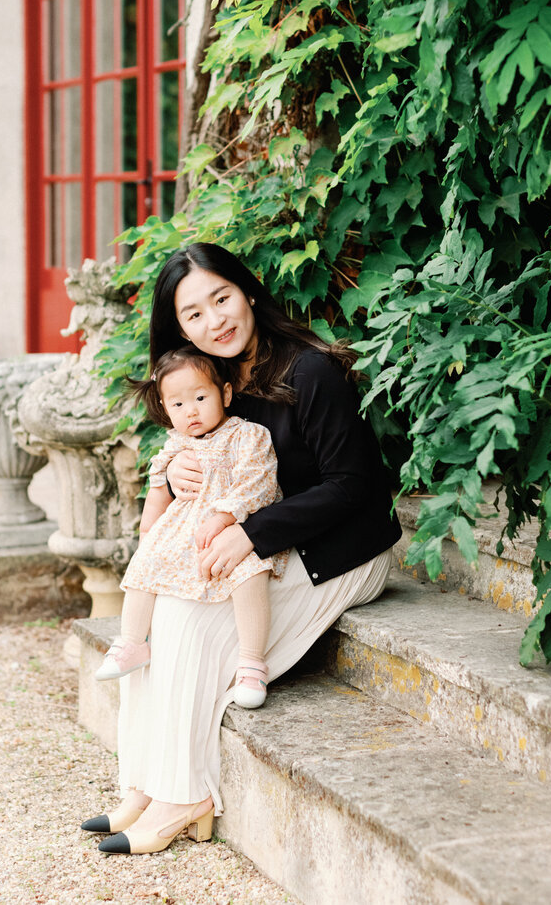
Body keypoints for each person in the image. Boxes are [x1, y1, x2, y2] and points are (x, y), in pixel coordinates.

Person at [82, 242, 402, 856]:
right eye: (193, 314)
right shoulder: (212, 382)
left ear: (248, 292)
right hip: (262, 550)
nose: (214, 321)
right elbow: (199, 461)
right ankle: (143, 784)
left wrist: (248, 533)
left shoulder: (309, 371)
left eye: (221, 299)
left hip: (339, 549)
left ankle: (188, 795)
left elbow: (355, 486)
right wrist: (180, 478)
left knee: (189, 627)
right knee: (160, 617)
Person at [94, 345, 286, 711]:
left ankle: (251, 663)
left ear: (225, 394)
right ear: (165, 409)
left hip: (237, 529)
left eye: (200, 397)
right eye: (178, 405)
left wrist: (222, 516)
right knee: (145, 566)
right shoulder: (174, 446)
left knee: (249, 572)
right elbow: (156, 490)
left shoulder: (247, 436)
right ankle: (133, 641)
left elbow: (258, 481)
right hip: (182, 531)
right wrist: (147, 534)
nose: (191, 411)